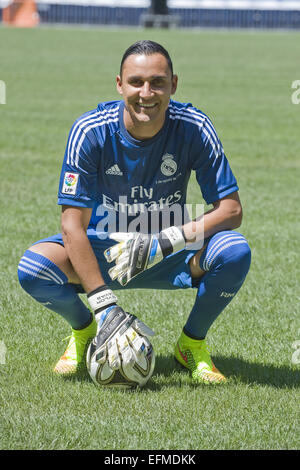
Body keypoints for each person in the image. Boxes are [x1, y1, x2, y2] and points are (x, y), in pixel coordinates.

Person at [18, 40, 251, 384]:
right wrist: (103, 304)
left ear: (173, 84)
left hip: (170, 251)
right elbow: (72, 226)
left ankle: (191, 344)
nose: (147, 93)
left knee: (234, 252)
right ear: (119, 84)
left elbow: (231, 210)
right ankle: (84, 332)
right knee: (33, 269)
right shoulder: (90, 131)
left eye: (157, 82)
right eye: (136, 82)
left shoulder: (194, 126)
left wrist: (165, 240)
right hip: (106, 252)